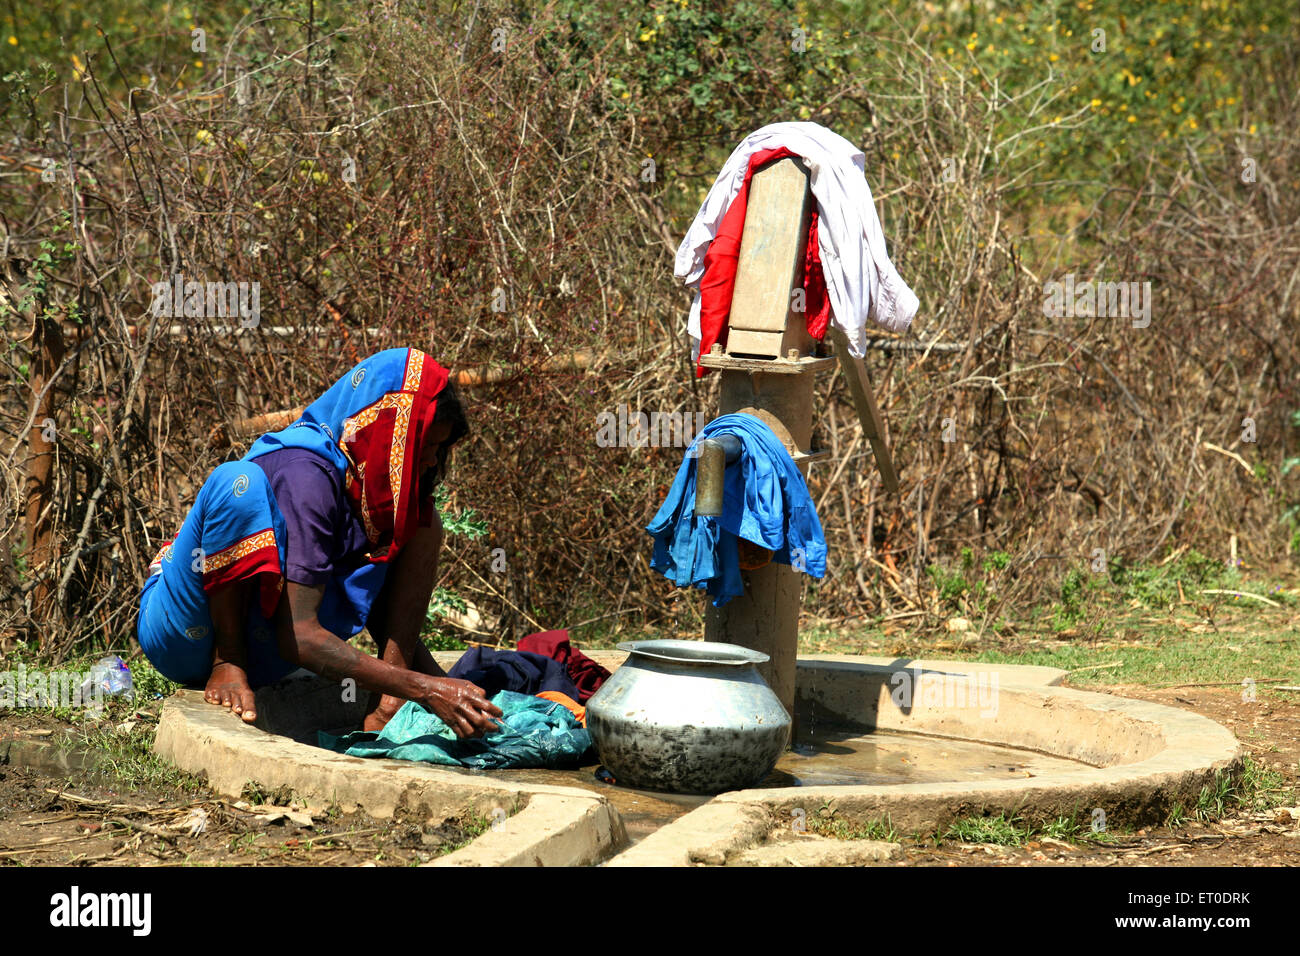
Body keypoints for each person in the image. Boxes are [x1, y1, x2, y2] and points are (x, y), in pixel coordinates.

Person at [136, 348, 502, 737]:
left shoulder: (370, 493)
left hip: (269, 652)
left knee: (425, 522)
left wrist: (442, 691)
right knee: (236, 484)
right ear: (387, 425)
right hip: (186, 631)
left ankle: (387, 709)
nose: (430, 461)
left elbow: (376, 597)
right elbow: (301, 639)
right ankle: (227, 660)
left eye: (437, 451)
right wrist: (428, 689)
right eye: (425, 445)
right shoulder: (305, 473)